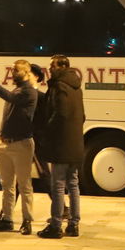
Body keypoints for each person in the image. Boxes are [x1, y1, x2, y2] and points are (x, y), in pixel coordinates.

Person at [0, 60, 38, 234]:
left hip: (21, 144)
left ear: (26, 72)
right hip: (5, 143)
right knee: (7, 184)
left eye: (16, 70)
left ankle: (27, 220)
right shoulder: (18, 89)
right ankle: (7, 219)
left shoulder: (29, 91)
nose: (12, 72)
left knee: (24, 184)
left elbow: (11, 98)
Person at [37, 55, 85, 239]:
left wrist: (47, 129)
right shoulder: (76, 86)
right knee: (73, 184)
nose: (49, 68)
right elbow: (82, 116)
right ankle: (74, 224)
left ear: (63, 66)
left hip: (61, 143)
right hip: (75, 143)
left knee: (57, 185)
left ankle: (56, 225)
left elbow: (60, 114)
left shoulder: (59, 86)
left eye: (52, 65)